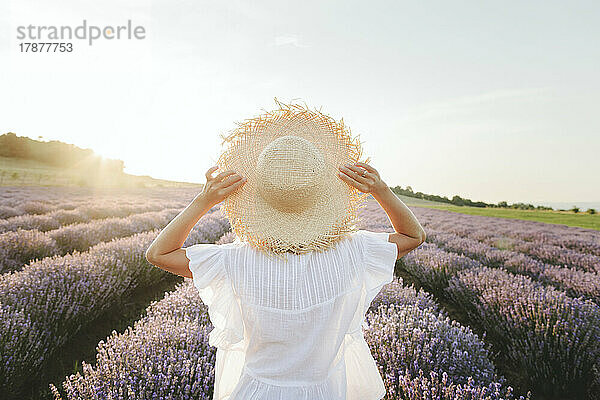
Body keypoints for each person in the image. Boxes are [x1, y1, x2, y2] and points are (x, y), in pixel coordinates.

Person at [145, 101, 426, 400]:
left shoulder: (234, 259)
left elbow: (158, 254)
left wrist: (203, 201)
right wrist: (380, 189)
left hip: (256, 391)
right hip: (327, 391)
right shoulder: (355, 251)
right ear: (323, 190)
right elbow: (413, 235)